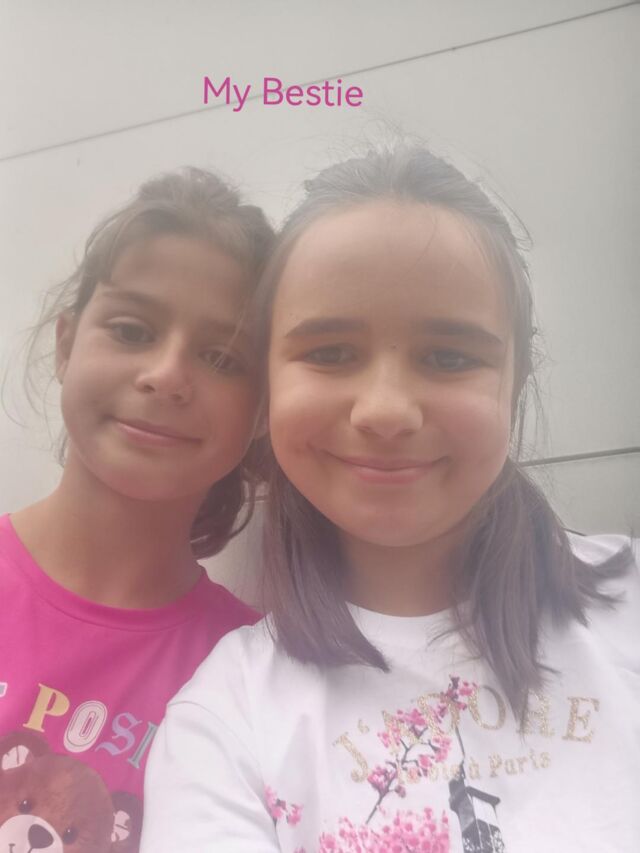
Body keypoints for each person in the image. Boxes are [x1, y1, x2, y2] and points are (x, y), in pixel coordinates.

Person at [140, 146, 639, 853]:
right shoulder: (222, 722)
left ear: (515, 380)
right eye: (331, 352)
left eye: (449, 357)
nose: (386, 410)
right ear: (268, 386)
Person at [0, 168, 273, 851]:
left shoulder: (256, 679)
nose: (168, 374)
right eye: (131, 329)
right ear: (66, 344)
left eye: (222, 357)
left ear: (263, 411)